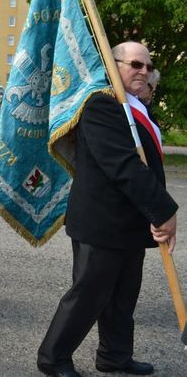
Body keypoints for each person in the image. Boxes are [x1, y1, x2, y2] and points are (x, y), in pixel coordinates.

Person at [37, 41, 178, 377]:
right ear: (113, 65)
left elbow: (147, 166)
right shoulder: (102, 105)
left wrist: (152, 211)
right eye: (135, 65)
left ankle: (114, 356)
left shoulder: (136, 107)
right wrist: (165, 211)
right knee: (89, 294)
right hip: (101, 221)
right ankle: (52, 358)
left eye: (147, 65)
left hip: (129, 221)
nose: (144, 71)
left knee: (122, 297)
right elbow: (123, 165)